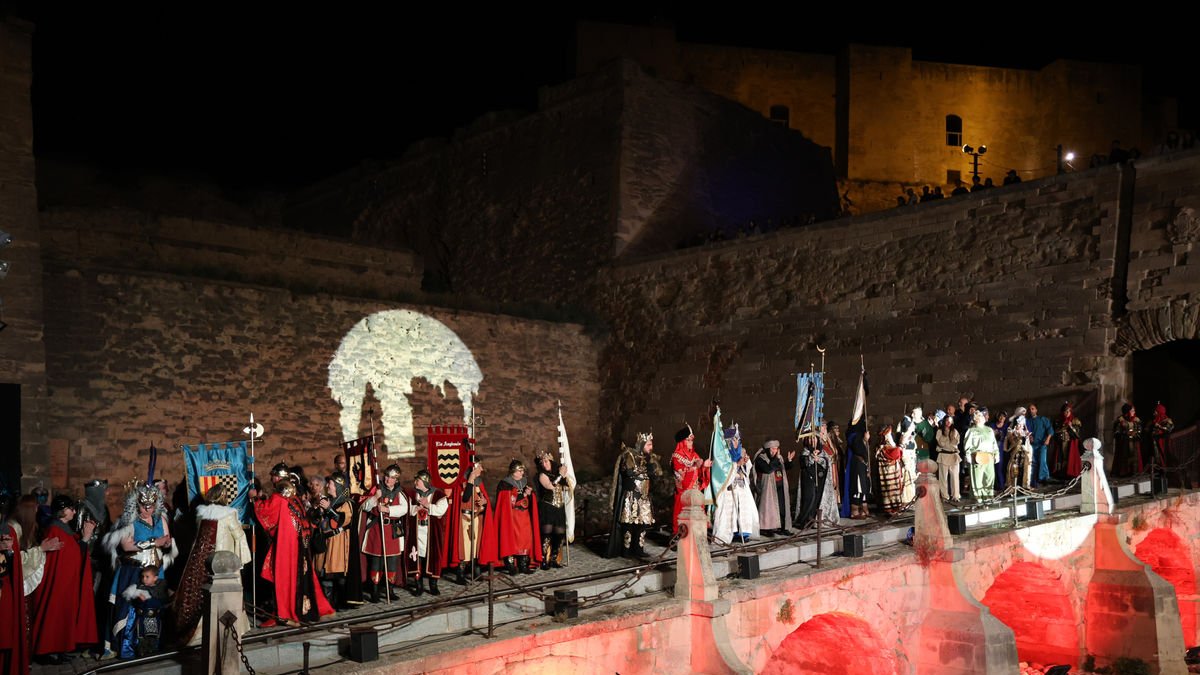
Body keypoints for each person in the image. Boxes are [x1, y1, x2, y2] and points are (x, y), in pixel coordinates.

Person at [102, 481, 175, 659]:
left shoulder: (161, 519)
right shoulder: (129, 521)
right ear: (137, 504)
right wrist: (153, 542)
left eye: (150, 506)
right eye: (144, 506)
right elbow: (126, 546)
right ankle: (129, 647)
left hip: (157, 571)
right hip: (135, 572)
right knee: (132, 610)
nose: (147, 510)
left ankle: (153, 645)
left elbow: (167, 539)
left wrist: (166, 543)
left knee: (155, 609)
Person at [174, 484, 251, 647]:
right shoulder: (229, 514)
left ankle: (199, 632)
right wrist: (242, 559)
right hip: (224, 562)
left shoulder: (202, 515)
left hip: (201, 560)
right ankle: (231, 627)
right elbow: (238, 535)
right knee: (227, 594)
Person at [30, 494, 98, 664]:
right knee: (56, 613)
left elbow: (73, 553)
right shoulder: (55, 530)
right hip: (59, 584)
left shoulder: (63, 529)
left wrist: (83, 538)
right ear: (62, 511)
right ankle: (48, 649)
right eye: (70, 508)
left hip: (66, 582)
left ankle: (60, 647)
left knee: (64, 613)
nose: (74, 512)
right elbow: (71, 556)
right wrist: (85, 538)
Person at [257, 476, 334, 624]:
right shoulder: (296, 500)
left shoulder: (279, 500)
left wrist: (256, 501)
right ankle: (307, 610)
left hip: (288, 547)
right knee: (303, 577)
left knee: (286, 578)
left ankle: (288, 613)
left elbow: (264, 513)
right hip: (301, 545)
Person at [605, 432, 660, 559]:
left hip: (644, 497)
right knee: (629, 524)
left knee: (643, 524)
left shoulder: (648, 458)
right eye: (649, 444)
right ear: (641, 444)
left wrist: (651, 465)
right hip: (631, 496)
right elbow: (628, 472)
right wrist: (643, 468)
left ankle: (638, 549)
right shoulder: (629, 455)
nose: (651, 447)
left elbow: (656, 473)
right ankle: (626, 550)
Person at [359, 465, 410, 603]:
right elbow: (365, 506)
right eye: (387, 476)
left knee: (391, 562)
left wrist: (387, 510)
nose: (388, 480)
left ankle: (389, 589)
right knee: (376, 561)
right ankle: (374, 591)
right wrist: (375, 497)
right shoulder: (377, 489)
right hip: (377, 529)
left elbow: (404, 508)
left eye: (392, 478)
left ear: (396, 479)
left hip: (391, 530)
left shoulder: (400, 493)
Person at [445, 461, 497, 583]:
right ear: (473, 469)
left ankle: (476, 571)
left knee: (476, 546)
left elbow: (484, 498)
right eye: (479, 467)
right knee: (465, 547)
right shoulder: (462, 483)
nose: (482, 469)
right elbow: (465, 497)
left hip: (477, 518)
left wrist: (484, 502)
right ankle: (461, 573)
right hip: (465, 519)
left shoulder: (479, 483)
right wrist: (470, 480)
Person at [494, 459, 541, 574]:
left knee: (525, 539)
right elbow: (506, 501)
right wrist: (523, 495)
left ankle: (523, 565)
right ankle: (510, 566)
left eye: (522, 471)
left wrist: (530, 495)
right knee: (511, 539)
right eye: (519, 471)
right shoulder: (505, 484)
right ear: (513, 471)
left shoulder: (525, 481)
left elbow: (531, 497)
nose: (522, 473)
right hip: (511, 517)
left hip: (524, 516)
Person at [713, 427, 758, 544]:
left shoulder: (739, 453)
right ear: (728, 441)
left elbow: (745, 472)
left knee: (743, 509)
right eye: (734, 440)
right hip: (729, 490)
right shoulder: (722, 456)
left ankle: (742, 533)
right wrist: (736, 465)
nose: (736, 442)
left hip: (741, 488)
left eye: (738, 440)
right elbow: (722, 473)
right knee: (729, 513)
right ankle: (728, 534)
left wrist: (745, 463)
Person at [315, 472, 354, 607]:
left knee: (337, 575)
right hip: (325, 542)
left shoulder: (347, 503)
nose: (328, 486)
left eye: (330, 484)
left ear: (337, 486)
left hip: (338, 543)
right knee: (325, 575)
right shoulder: (328, 500)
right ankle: (327, 604)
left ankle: (341, 602)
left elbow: (341, 520)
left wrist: (329, 509)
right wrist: (318, 511)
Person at [406, 469, 448, 596]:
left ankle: (433, 585)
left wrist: (428, 505)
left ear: (424, 481)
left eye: (417, 480)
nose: (415, 482)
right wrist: (415, 508)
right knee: (416, 558)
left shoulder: (438, 495)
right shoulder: (412, 494)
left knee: (434, 558)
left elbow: (442, 509)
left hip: (431, 533)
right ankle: (419, 585)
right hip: (417, 532)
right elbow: (406, 508)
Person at [794, 422, 837, 529]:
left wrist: (820, 459)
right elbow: (804, 463)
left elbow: (826, 462)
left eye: (814, 439)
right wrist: (812, 458)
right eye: (810, 439)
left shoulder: (822, 452)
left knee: (818, 498)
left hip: (820, 480)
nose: (812, 441)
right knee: (809, 498)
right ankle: (804, 520)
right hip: (809, 479)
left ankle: (814, 519)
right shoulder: (805, 452)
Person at [0, 522, 30, 675]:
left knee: (5, 636)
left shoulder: (7, 529)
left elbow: (13, 567)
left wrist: (10, 551)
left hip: (4, 592)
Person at [671, 425, 711, 533]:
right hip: (684, 494)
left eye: (692, 440)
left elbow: (699, 470)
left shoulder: (694, 454)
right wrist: (695, 467)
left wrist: (705, 466)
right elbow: (680, 474)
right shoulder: (676, 457)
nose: (691, 443)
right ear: (682, 442)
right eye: (688, 440)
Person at [121, 565, 168, 658]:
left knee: (153, 636)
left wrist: (148, 600)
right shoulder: (139, 588)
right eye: (143, 577)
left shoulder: (160, 589)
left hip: (154, 619)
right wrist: (139, 600)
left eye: (147, 577)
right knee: (141, 636)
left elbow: (160, 603)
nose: (144, 579)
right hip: (142, 618)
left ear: (155, 578)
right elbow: (135, 603)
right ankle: (141, 653)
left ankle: (153, 651)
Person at [534, 450, 570, 570]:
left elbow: (567, 486)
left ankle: (554, 558)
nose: (544, 464)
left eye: (546, 461)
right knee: (547, 534)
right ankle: (544, 559)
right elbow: (550, 487)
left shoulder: (557, 472)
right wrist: (560, 475)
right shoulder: (542, 475)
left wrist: (565, 475)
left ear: (551, 461)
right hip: (547, 507)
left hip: (559, 507)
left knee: (559, 534)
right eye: (542, 462)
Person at [753, 440, 794, 535]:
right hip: (768, 489)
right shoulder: (761, 459)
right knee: (768, 508)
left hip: (780, 486)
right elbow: (768, 469)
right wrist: (776, 458)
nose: (775, 451)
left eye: (776, 449)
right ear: (768, 449)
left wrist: (789, 461)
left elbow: (783, 468)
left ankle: (783, 527)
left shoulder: (777, 458)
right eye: (773, 449)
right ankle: (766, 529)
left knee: (782, 507)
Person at [964, 408, 1000, 501]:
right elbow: (967, 444)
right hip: (977, 456)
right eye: (978, 416)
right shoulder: (971, 431)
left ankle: (988, 496)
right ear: (975, 419)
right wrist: (968, 455)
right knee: (978, 478)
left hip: (989, 455)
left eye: (981, 415)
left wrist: (996, 454)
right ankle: (979, 498)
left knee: (989, 477)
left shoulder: (989, 430)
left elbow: (993, 443)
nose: (981, 417)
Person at [842, 427, 872, 519]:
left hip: (862, 466)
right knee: (857, 488)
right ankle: (854, 511)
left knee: (864, 487)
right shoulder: (854, 437)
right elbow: (858, 449)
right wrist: (864, 440)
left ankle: (863, 508)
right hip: (857, 466)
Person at [875, 425, 905, 514]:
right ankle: (892, 507)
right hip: (889, 472)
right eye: (889, 434)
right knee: (890, 489)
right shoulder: (885, 447)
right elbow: (895, 454)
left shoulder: (883, 446)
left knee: (891, 489)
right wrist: (901, 445)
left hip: (890, 471)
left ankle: (893, 507)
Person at [935, 413, 961, 502]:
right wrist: (946, 436)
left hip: (953, 455)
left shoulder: (955, 431)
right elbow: (941, 443)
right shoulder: (939, 431)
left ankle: (955, 495)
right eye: (947, 420)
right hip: (944, 455)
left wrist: (951, 438)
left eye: (950, 421)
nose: (948, 422)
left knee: (955, 476)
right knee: (943, 477)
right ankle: (945, 496)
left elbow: (955, 443)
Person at [1112, 403, 1144, 477]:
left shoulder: (1136, 420)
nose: (1134, 412)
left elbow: (1139, 430)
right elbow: (1116, 431)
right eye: (1132, 410)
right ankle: (1124, 472)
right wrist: (1125, 434)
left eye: (1134, 410)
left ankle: (1134, 472)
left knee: (1134, 456)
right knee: (1124, 457)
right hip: (1124, 443)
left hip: (1134, 442)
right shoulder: (1120, 420)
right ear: (1127, 411)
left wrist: (1135, 434)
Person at [1027, 403, 1054, 486]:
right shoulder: (1028, 421)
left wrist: (1048, 438)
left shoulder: (1042, 419)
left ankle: (1044, 478)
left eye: (1032, 409)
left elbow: (1050, 429)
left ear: (1036, 410)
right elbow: (1027, 431)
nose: (1031, 411)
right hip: (1032, 445)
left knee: (1042, 460)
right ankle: (1034, 480)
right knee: (1033, 463)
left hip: (1042, 444)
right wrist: (1029, 436)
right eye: (1029, 409)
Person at [1054, 402, 1083, 478]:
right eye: (1065, 411)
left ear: (1070, 412)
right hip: (1061, 442)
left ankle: (1070, 473)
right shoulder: (1059, 421)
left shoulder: (1075, 421)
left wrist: (1071, 427)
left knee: (1069, 456)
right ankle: (1062, 472)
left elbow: (1077, 434)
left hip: (1071, 443)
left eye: (1068, 411)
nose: (1066, 413)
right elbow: (1056, 431)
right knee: (1061, 457)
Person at [1006, 409, 1034, 489]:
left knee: (1024, 468)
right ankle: (1012, 485)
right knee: (1014, 468)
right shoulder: (1011, 430)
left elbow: (1027, 441)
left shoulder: (1025, 431)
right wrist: (1016, 436)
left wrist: (1027, 437)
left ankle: (1024, 485)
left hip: (1024, 452)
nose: (1020, 425)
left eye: (1022, 424)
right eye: (1019, 424)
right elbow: (1010, 440)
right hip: (1015, 453)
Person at [1149, 403, 1175, 472]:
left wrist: (1160, 426)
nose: (1154, 413)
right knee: (1156, 456)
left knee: (1163, 454)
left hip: (1162, 440)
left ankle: (1164, 470)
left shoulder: (1166, 420)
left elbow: (1170, 428)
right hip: (1155, 441)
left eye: (1155, 411)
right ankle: (1158, 469)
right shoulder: (1154, 420)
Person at [988, 411, 1010, 491]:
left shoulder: (1006, 426)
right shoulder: (992, 425)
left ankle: (1001, 485)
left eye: (1003, 417)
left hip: (1001, 448)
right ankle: (993, 485)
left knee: (1000, 467)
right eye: (1000, 416)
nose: (1002, 418)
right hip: (992, 447)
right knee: (992, 467)